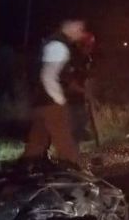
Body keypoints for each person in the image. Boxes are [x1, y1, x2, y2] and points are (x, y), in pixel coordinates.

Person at [20, 19, 89, 172]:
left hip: (40, 101)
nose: (81, 33)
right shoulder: (58, 46)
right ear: (70, 28)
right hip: (50, 102)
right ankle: (75, 173)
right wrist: (60, 100)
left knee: (37, 141)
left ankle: (20, 174)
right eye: (79, 29)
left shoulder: (55, 43)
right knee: (64, 139)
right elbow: (48, 76)